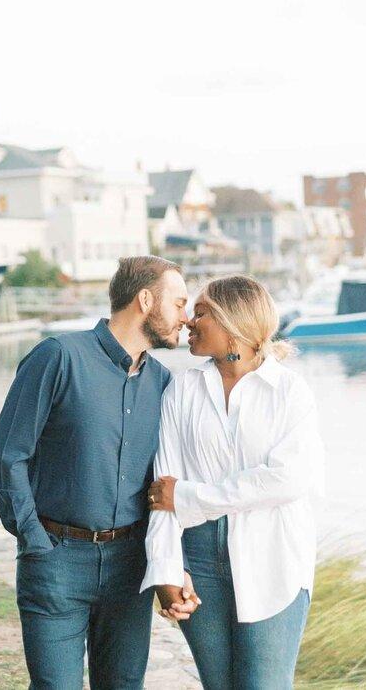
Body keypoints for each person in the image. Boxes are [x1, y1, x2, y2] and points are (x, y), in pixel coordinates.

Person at [0, 255, 200, 690]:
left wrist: (171, 565)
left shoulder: (163, 382)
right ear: (145, 300)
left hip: (130, 568)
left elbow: (166, 483)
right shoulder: (58, 357)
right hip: (57, 562)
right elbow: (6, 457)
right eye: (179, 304)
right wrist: (34, 540)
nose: (186, 317)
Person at [141, 274, 325, 690]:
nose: (189, 322)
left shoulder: (289, 392)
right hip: (198, 560)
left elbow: (288, 480)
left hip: (274, 557)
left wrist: (190, 496)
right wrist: (168, 570)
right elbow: (161, 490)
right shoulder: (181, 390)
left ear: (233, 322)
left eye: (201, 313)